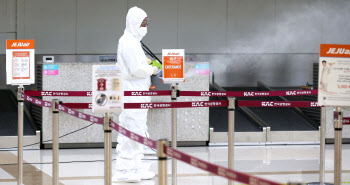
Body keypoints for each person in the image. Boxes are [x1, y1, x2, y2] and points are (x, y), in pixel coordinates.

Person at [113, 7, 158, 183]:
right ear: (133, 23)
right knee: (130, 131)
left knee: (138, 130)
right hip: (131, 94)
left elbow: (138, 63)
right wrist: (152, 68)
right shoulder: (128, 41)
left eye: (146, 23)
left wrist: (145, 62)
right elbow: (136, 69)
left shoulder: (133, 41)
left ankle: (136, 167)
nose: (145, 27)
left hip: (138, 94)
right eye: (142, 23)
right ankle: (124, 170)